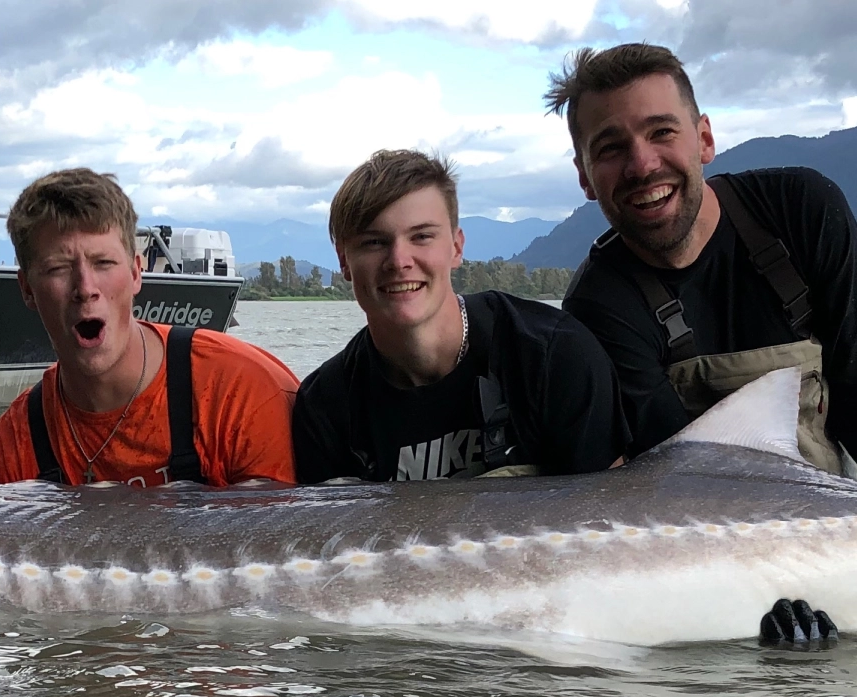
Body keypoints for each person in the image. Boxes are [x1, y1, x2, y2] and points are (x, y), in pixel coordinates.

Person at [552, 43, 857, 476]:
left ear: (705, 140)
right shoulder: (598, 306)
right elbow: (689, 478)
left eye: (661, 132)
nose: (642, 166)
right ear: (584, 177)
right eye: (610, 148)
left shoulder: (803, 211)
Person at [293, 149, 628, 483]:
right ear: (344, 261)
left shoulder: (555, 355)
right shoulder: (325, 405)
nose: (398, 260)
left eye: (421, 236)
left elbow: (605, 515)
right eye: (374, 242)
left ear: (456, 248)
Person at [0, 168, 299, 486]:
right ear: (27, 289)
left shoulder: (243, 394)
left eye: (103, 263)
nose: (85, 287)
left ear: (135, 273)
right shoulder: (15, 445)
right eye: (58, 268)